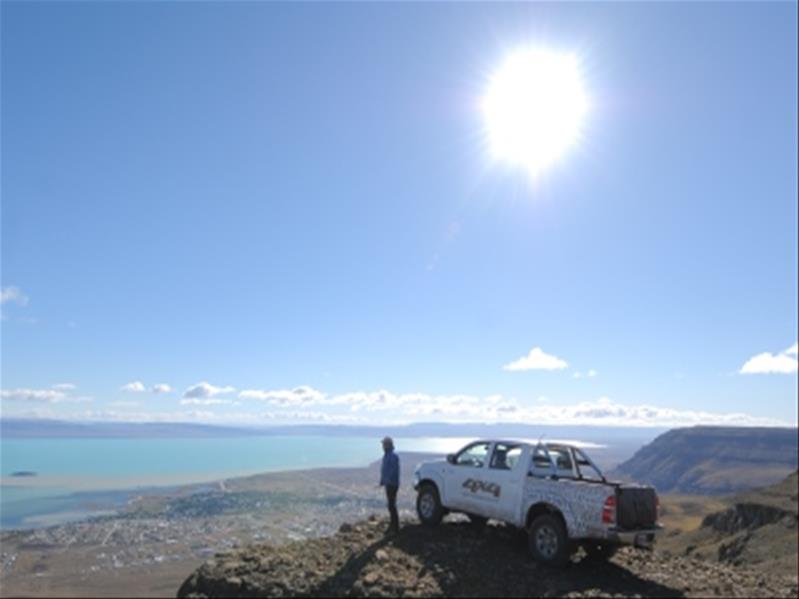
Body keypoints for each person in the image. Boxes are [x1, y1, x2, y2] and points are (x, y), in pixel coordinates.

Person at [379, 436, 400, 535]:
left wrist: (386, 480)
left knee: (391, 505)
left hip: (392, 484)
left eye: (384, 444)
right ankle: (393, 526)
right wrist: (382, 480)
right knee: (390, 505)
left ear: (387, 445)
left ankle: (395, 528)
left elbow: (392, 471)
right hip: (389, 483)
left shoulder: (392, 456)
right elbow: (385, 470)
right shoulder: (387, 455)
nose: (382, 446)